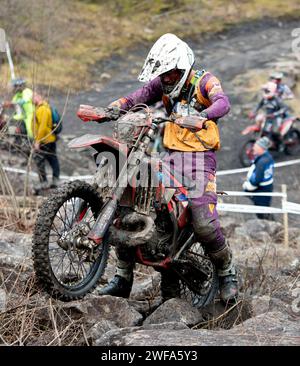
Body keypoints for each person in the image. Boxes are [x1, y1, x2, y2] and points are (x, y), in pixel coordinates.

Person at [98, 33, 238, 303]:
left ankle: (226, 271)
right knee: (132, 201)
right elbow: (138, 95)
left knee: (205, 222)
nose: (166, 79)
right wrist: (114, 107)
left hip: (200, 159)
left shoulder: (204, 81)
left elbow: (223, 102)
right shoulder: (161, 83)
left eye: (171, 74)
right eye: (163, 75)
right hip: (171, 155)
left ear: (182, 68)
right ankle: (122, 276)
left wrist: (203, 115)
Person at [250, 81, 290, 151]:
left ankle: (281, 144)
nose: (265, 92)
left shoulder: (277, 100)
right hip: (268, 116)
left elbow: (285, 108)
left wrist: (275, 114)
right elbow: (258, 105)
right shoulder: (264, 99)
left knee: (275, 131)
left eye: (267, 91)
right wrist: (253, 112)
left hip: (277, 117)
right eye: (265, 90)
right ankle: (266, 143)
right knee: (264, 129)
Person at [32, 93, 60, 190]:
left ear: (39, 97)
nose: (32, 99)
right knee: (52, 159)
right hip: (49, 139)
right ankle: (55, 181)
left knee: (39, 160)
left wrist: (37, 141)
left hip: (45, 140)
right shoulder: (43, 107)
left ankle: (44, 182)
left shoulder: (43, 109)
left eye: (33, 96)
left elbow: (43, 127)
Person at [242, 136, 274, 220]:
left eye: (256, 146)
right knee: (265, 209)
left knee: (262, 212)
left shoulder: (262, 162)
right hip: (266, 188)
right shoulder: (267, 157)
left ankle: (271, 227)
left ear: (261, 148)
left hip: (262, 190)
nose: (253, 148)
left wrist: (246, 187)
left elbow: (256, 180)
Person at [4, 78, 34, 151]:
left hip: (30, 114)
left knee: (30, 131)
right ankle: (17, 142)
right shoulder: (17, 94)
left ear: (21, 85)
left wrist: (11, 103)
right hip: (22, 115)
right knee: (10, 122)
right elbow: (13, 103)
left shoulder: (28, 92)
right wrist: (5, 105)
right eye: (15, 86)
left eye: (17, 86)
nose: (16, 88)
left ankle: (32, 144)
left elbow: (22, 101)